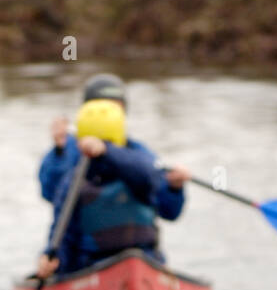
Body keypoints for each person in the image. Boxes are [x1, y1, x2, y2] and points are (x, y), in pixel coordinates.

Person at [36, 99, 191, 279]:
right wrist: (53, 258)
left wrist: (106, 151)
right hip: (90, 268)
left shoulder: (138, 165)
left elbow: (149, 177)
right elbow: (63, 234)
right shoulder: (72, 181)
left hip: (145, 260)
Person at [38, 72, 189, 219]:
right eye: (100, 106)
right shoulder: (69, 149)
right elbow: (50, 193)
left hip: (134, 241)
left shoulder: (138, 153)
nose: (106, 114)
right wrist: (60, 151)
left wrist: (174, 188)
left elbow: (169, 211)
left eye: (114, 107)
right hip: (85, 242)